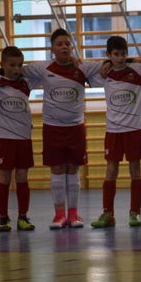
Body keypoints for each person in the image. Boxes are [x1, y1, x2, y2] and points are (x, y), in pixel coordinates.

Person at [22, 28, 103, 229]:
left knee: (73, 168)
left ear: (71, 47)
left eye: (67, 43)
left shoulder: (83, 67)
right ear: (52, 49)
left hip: (75, 127)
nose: (64, 47)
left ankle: (73, 214)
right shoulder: (43, 68)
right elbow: (13, 69)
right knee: (57, 169)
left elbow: (112, 63)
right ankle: (59, 215)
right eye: (59, 44)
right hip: (52, 128)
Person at [89, 36, 141, 229]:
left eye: (124, 54)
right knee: (111, 170)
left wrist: (132, 60)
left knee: (135, 170)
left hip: (133, 130)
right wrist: (104, 64)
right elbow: (84, 69)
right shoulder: (104, 74)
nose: (120, 58)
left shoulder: (137, 70)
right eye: (116, 54)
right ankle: (108, 213)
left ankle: (135, 212)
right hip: (113, 131)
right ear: (109, 55)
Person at [0, 46, 37, 232]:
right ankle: (3, 218)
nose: (16, 69)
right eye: (11, 65)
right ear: (2, 64)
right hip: (4, 138)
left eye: (19, 65)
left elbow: (42, 69)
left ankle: (23, 217)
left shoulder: (26, 82)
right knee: (4, 177)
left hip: (24, 138)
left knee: (22, 177)